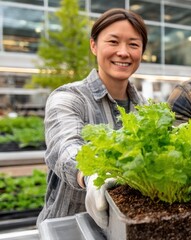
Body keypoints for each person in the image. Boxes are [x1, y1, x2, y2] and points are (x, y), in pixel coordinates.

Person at [37, 8, 148, 227]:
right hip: (69, 228)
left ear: (142, 52)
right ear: (94, 45)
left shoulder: (145, 108)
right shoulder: (68, 97)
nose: (123, 52)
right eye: (113, 42)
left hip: (127, 229)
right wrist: (92, 175)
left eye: (133, 44)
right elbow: (65, 146)